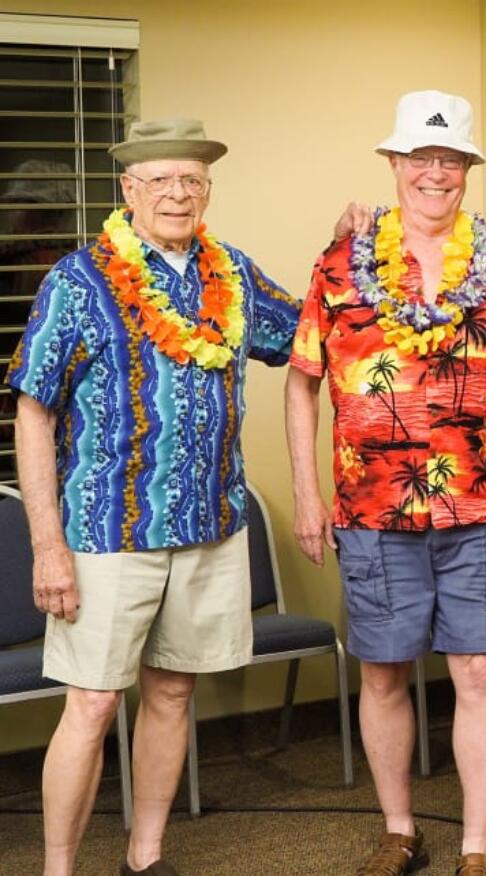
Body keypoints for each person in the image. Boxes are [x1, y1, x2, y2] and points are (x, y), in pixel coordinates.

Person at [6, 119, 301, 876]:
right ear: (129, 190)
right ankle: (59, 871)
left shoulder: (230, 271)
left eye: (192, 180)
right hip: (106, 532)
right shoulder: (78, 279)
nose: (178, 192)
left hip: (209, 526)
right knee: (94, 705)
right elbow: (33, 412)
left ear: (208, 191)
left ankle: (146, 858)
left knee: (172, 696)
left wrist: (349, 253)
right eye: (162, 179)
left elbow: (308, 335)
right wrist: (48, 545)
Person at [285, 90, 486, 876]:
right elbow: (301, 382)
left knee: (482, 672)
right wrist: (307, 495)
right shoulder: (338, 264)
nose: (434, 172)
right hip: (372, 508)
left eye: (450, 159)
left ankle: (478, 849)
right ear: (393, 165)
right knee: (384, 672)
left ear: (466, 171)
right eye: (420, 158)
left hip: (479, 505)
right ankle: (399, 830)